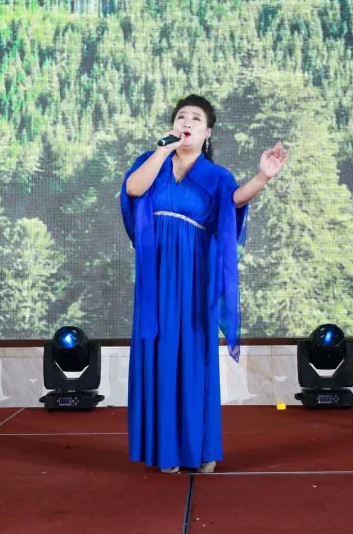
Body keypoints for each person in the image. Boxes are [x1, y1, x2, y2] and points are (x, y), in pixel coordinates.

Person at [120, 94, 287, 474]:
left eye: (196, 118)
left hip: (194, 274)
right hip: (155, 275)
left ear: (208, 132)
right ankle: (164, 450)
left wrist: (262, 177)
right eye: (181, 116)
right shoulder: (151, 162)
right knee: (158, 351)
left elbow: (234, 202)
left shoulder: (216, 176)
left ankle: (199, 449)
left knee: (193, 354)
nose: (187, 122)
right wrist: (163, 151)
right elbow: (133, 190)